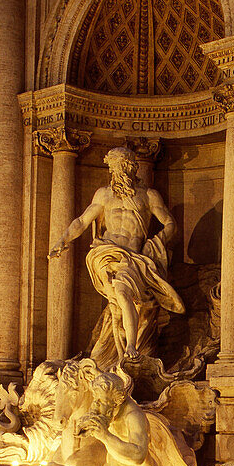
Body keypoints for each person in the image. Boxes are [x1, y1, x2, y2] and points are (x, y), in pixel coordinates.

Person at [48, 146, 184, 367]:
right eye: (114, 167)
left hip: (132, 257)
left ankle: (129, 347)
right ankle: (126, 346)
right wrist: (63, 240)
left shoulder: (148, 196)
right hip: (105, 252)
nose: (118, 172)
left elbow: (170, 224)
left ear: (132, 167)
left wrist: (155, 242)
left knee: (122, 294)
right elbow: (82, 221)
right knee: (118, 297)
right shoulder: (103, 194)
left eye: (122, 166)